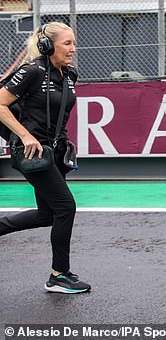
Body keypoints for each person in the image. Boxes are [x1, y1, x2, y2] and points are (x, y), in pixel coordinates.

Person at [0, 22, 90, 293]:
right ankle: (58, 276)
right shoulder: (32, 71)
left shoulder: (69, 74)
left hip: (54, 152)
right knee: (65, 207)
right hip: (32, 151)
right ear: (48, 46)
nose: (73, 49)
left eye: (74, 43)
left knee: (47, 214)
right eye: (66, 43)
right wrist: (26, 136)